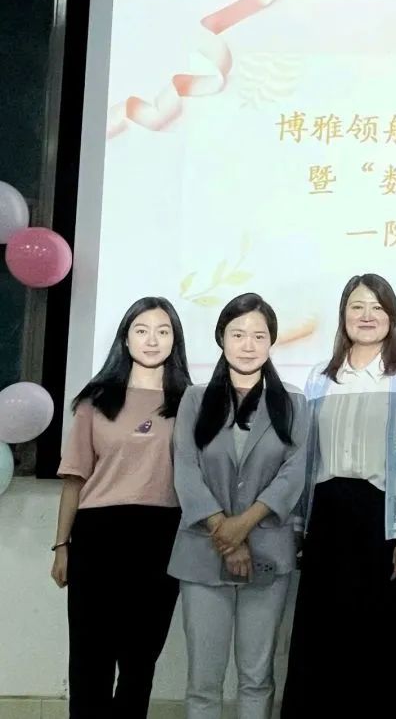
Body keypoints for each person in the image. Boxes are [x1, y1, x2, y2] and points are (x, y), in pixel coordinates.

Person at [282, 274, 396, 718]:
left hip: (383, 520)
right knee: (323, 638)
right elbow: (307, 459)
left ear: (392, 317)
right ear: (343, 315)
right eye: (357, 306)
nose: (367, 316)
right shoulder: (320, 377)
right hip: (327, 518)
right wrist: (299, 524)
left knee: (384, 641)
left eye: (377, 307)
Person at [50, 296, 191, 718]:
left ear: (175, 340)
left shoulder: (191, 402)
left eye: (163, 331)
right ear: (125, 339)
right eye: (141, 330)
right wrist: (61, 546)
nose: (152, 340)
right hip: (98, 536)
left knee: (139, 662)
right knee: (90, 660)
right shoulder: (96, 400)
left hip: (162, 538)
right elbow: (75, 478)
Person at [169, 293, 308, 719]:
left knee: (256, 676)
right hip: (202, 552)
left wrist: (241, 527)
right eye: (238, 334)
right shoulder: (194, 399)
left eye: (259, 336)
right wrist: (224, 533)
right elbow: (186, 471)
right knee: (203, 680)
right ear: (221, 338)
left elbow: (294, 474)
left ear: (272, 342)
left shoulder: (294, 403)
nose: (248, 345)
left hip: (269, 555)